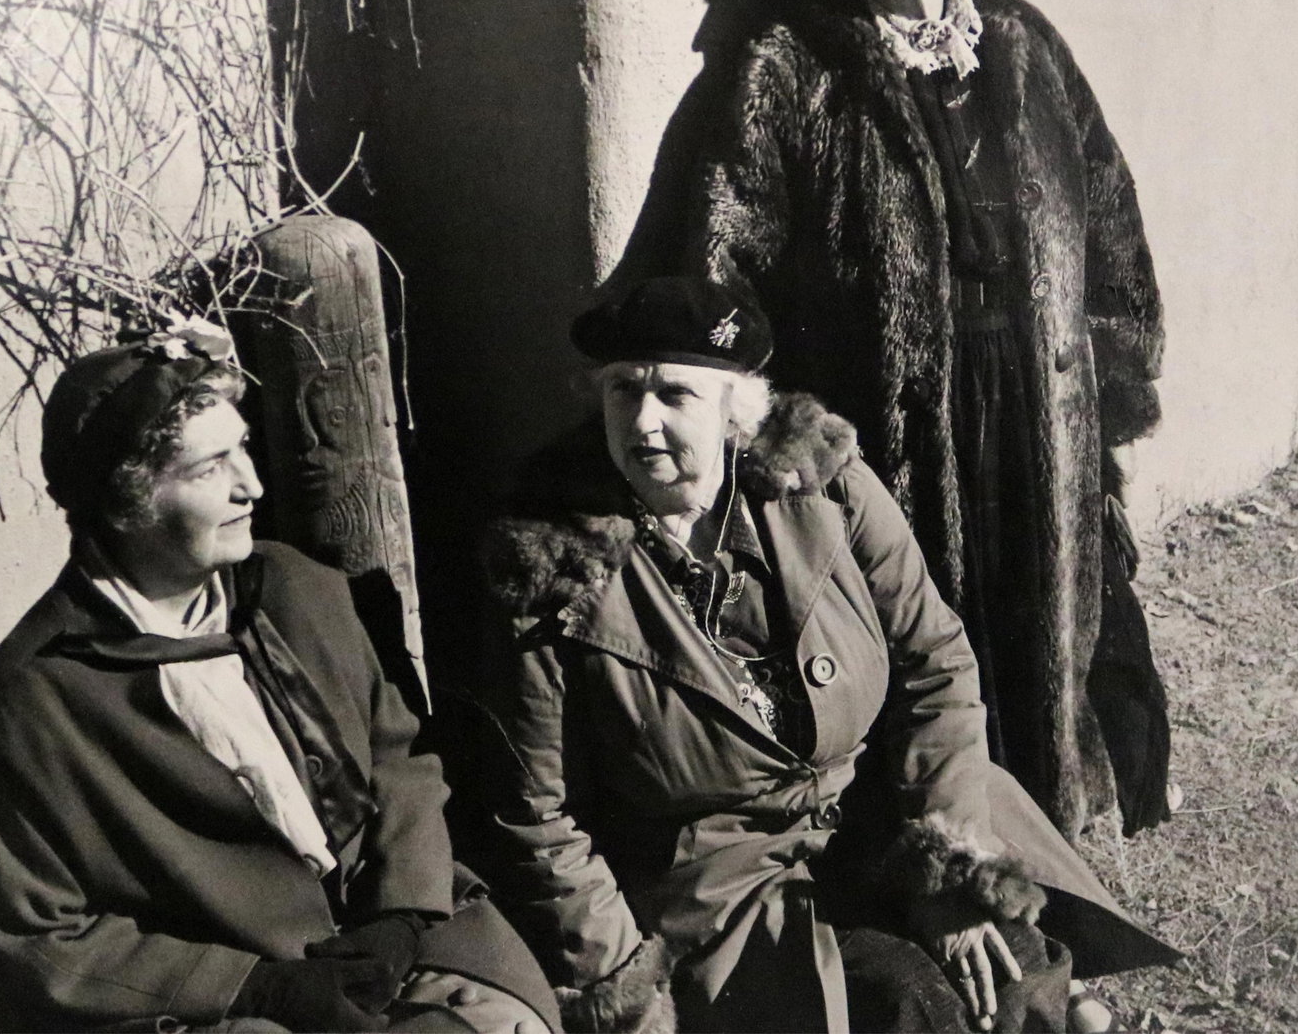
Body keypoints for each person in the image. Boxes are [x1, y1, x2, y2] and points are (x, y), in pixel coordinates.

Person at [481, 277, 1175, 1034]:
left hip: (880, 806)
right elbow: (538, 815)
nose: (643, 421)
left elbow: (936, 662)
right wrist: (627, 985)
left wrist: (946, 863)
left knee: (1009, 968)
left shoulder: (827, 488)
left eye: (674, 394)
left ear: (735, 411)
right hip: (721, 888)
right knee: (910, 1002)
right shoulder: (557, 565)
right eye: (623, 390)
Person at [680, 0, 1167, 840]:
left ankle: (1042, 829)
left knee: (1043, 625)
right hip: (889, 425)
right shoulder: (788, 62)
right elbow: (720, 252)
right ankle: (928, 845)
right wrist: (767, 419)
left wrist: (1113, 382)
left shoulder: (1026, 47)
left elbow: (1107, 216)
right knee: (923, 636)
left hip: (1034, 407)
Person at [0, 320, 559, 1034]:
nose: (251, 486)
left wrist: (402, 913)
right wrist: (258, 988)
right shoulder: (39, 694)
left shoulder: (296, 587)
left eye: (243, 448)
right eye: (210, 468)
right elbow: (41, 936)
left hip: (396, 930)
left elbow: (397, 758)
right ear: (128, 499)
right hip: (232, 999)